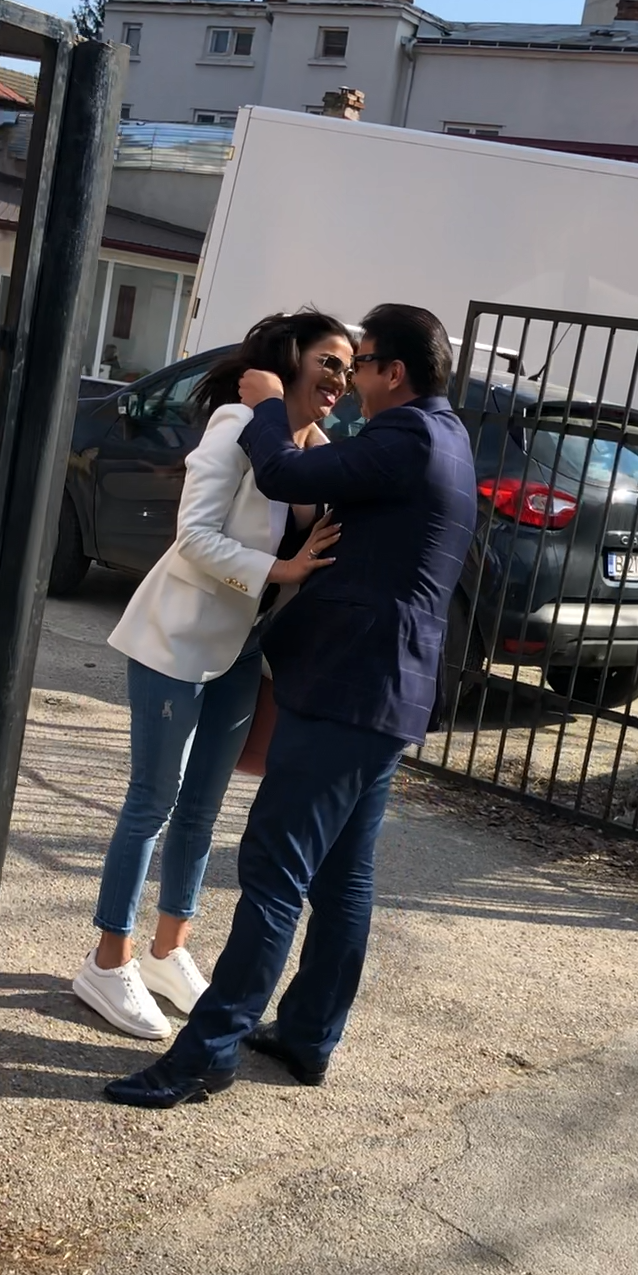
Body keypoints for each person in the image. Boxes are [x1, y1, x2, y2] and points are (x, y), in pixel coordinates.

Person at [104, 302, 477, 1108]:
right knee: (342, 878)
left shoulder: (406, 438)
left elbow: (281, 473)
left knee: (273, 874)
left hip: (347, 692)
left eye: (360, 361)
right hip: (385, 697)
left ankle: (205, 1054)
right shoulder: (446, 435)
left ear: (393, 373)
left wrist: (271, 402)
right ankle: (307, 1036)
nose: (350, 376)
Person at [73, 310, 354, 1041]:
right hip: (177, 636)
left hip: (243, 648)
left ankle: (168, 953)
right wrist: (281, 569)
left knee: (203, 809)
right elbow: (193, 537)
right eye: (328, 361)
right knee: (152, 802)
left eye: (349, 368)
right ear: (289, 360)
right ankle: (107, 960)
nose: (340, 380)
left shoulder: (318, 453)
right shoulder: (236, 426)